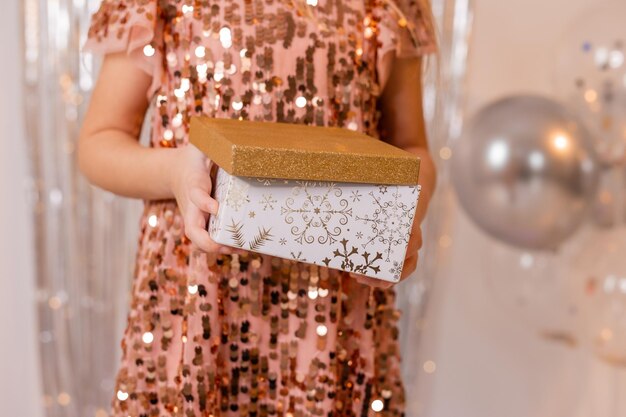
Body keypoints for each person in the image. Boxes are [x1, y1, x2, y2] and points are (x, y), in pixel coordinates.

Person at [78, 0, 436, 414]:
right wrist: (176, 171)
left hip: (333, 306)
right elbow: (99, 141)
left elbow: (413, 148)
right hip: (195, 296)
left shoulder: (388, 6)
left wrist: (407, 212)